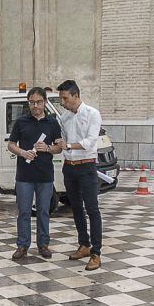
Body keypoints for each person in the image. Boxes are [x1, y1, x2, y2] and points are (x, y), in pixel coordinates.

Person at [7, 86, 62, 260]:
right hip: (24, 175)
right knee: (24, 211)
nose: (35, 106)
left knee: (43, 211)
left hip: (45, 175)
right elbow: (11, 144)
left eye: (38, 102)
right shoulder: (21, 122)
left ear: (45, 102)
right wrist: (23, 152)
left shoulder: (52, 123)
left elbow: (59, 147)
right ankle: (23, 245)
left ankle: (43, 244)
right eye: (31, 102)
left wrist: (47, 148)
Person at [56, 80, 103, 271]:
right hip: (69, 167)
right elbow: (62, 142)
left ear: (76, 96)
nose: (63, 102)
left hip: (87, 167)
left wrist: (67, 145)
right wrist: (56, 145)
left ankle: (96, 253)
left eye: (65, 98)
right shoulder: (64, 117)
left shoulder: (92, 114)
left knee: (92, 209)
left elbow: (90, 142)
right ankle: (84, 245)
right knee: (75, 208)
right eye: (61, 99)